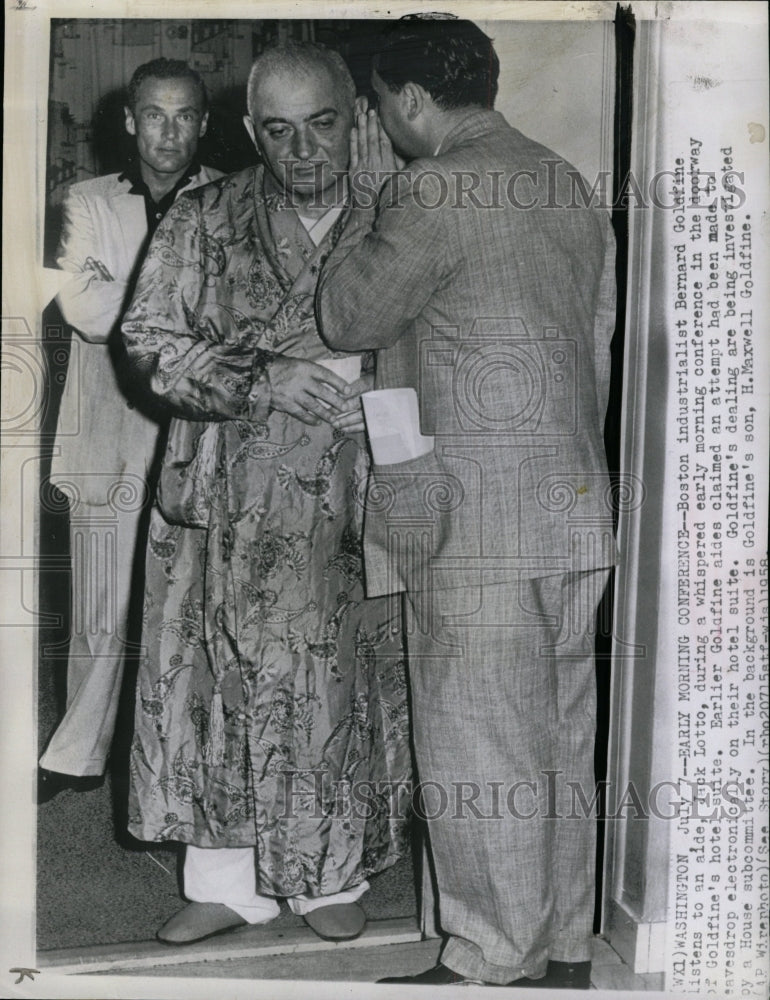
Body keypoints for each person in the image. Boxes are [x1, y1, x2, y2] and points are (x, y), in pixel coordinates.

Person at [317, 19, 617, 989]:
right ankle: (563, 945)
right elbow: (596, 338)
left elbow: (347, 314)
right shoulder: (563, 180)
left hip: (477, 524)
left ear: (406, 101)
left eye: (374, 104)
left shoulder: (424, 187)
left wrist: (365, 198)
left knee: (477, 743)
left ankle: (490, 957)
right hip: (572, 504)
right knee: (559, 742)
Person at [120, 41, 410, 945]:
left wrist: (388, 395)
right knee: (215, 684)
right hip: (219, 499)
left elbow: (456, 347)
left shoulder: (400, 215)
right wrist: (260, 376)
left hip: (348, 500)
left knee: (333, 686)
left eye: (322, 125)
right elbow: (146, 339)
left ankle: (331, 878)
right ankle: (225, 883)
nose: (302, 151)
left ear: (355, 115)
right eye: (278, 132)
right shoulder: (204, 216)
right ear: (250, 131)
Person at [40, 58, 221, 802]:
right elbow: (81, 309)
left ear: (204, 124)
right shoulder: (84, 200)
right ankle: (76, 754)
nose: (169, 132)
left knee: (193, 603)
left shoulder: (232, 199)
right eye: (155, 115)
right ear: (129, 120)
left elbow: (235, 313)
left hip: (200, 432)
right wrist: (181, 310)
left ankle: (174, 758)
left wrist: (127, 292)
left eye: (184, 117)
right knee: (99, 606)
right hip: (109, 429)